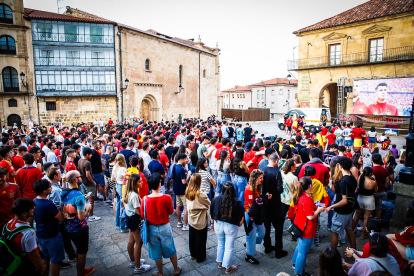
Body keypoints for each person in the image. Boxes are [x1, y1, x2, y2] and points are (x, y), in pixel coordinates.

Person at [142, 173, 181, 276]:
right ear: (160, 184)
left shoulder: (145, 199)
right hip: (165, 227)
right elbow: (170, 212)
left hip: (151, 228)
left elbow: (142, 214)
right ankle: (176, 269)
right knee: (171, 248)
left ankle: (160, 273)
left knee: (156, 252)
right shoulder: (167, 197)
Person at [60, 170, 94, 276]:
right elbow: (81, 216)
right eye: (80, 176)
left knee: (79, 251)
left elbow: (64, 208)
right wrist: (87, 207)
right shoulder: (78, 196)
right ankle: (81, 273)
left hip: (68, 227)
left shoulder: (63, 192)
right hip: (80, 228)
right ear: (76, 180)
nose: (81, 178)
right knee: (81, 253)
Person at [291, 176, 326, 276]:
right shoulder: (306, 198)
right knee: (303, 252)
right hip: (306, 229)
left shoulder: (302, 195)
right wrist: (319, 210)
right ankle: (299, 272)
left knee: (300, 247)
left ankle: (295, 262)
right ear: (310, 186)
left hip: (300, 227)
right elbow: (310, 217)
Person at [33, 179, 68, 276]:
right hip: (52, 235)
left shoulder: (35, 201)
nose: (51, 188)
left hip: (41, 235)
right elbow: (60, 218)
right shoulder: (47, 204)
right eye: (49, 186)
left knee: (45, 258)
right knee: (55, 261)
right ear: (44, 190)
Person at [210, 182, 244, 274]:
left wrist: (212, 223)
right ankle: (228, 267)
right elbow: (241, 215)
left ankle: (220, 263)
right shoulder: (237, 202)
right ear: (233, 190)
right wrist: (239, 223)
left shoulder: (215, 199)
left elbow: (211, 213)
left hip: (218, 225)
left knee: (220, 243)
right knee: (229, 247)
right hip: (231, 226)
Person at [5, 198, 45, 275]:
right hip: (25, 265)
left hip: (13, 262)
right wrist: (42, 267)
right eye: (31, 209)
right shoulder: (28, 232)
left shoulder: (9, 223)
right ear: (24, 214)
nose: (33, 209)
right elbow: (34, 256)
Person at [326, 156, 357, 249]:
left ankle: (331, 255)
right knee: (349, 230)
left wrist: (331, 206)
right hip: (349, 210)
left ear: (340, 166)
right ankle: (354, 250)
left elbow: (344, 200)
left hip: (341, 211)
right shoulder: (352, 177)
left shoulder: (343, 181)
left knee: (335, 232)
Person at [123, 173, 151, 274]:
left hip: (129, 217)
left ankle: (133, 261)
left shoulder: (128, 192)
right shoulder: (134, 195)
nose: (142, 182)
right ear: (134, 183)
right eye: (139, 181)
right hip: (135, 219)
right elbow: (139, 212)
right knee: (138, 242)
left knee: (131, 241)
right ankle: (138, 267)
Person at [262, 153, 288, 258]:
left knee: (267, 226)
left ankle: (267, 246)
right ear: (276, 161)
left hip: (265, 202)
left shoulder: (263, 170)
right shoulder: (277, 172)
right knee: (278, 227)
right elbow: (280, 189)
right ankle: (278, 249)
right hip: (275, 203)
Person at [185, 173, 211, 263]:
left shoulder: (188, 190)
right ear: (199, 181)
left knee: (192, 237)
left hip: (191, 217)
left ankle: (193, 254)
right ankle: (200, 257)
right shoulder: (200, 193)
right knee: (201, 238)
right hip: (200, 218)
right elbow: (208, 203)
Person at [244, 169, 266, 265]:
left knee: (261, 232)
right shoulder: (249, 189)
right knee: (251, 236)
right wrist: (261, 201)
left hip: (256, 214)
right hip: (251, 215)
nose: (262, 179)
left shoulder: (256, 187)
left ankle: (250, 244)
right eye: (260, 178)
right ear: (255, 178)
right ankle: (249, 255)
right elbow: (250, 205)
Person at [77, 148, 100, 221]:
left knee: (86, 198)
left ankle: (87, 214)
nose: (91, 155)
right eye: (90, 154)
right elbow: (88, 175)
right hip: (88, 183)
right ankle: (91, 215)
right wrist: (93, 182)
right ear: (87, 154)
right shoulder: (87, 163)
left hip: (83, 182)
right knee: (91, 200)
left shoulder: (80, 160)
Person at [355, 167, 377, 239]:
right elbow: (376, 190)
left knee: (356, 216)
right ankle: (363, 234)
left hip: (360, 198)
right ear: (370, 173)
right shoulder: (373, 182)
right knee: (366, 218)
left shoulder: (361, 179)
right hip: (369, 199)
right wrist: (375, 180)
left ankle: (351, 231)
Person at [173, 153, 192, 231]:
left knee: (178, 206)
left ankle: (179, 222)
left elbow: (172, 178)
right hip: (183, 190)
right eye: (185, 159)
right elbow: (184, 182)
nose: (186, 161)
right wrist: (188, 175)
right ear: (181, 159)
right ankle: (185, 225)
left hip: (176, 189)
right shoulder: (181, 169)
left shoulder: (174, 166)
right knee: (186, 207)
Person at [111, 154, 128, 232]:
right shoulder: (123, 169)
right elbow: (126, 180)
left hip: (117, 185)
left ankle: (118, 223)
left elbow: (112, 179)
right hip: (122, 186)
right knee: (123, 206)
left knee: (118, 205)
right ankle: (123, 226)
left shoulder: (115, 167)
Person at [372, 153, 389, 220]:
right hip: (381, 191)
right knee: (378, 208)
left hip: (372, 192)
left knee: (370, 209)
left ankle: (368, 225)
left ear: (372, 160)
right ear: (380, 160)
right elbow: (387, 183)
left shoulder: (371, 170)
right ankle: (377, 222)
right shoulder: (385, 170)